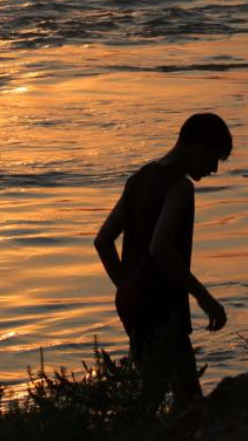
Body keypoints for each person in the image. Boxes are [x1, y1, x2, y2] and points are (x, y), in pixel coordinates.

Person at [95, 113, 231, 430]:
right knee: (186, 394)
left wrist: (126, 285)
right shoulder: (179, 187)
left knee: (152, 389)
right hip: (161, 303)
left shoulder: (139, 178)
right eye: (214, 158)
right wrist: (204, 297)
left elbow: (103, 241)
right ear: (198, 147)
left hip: (132, 301)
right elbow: (160, 247)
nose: (213, 169)